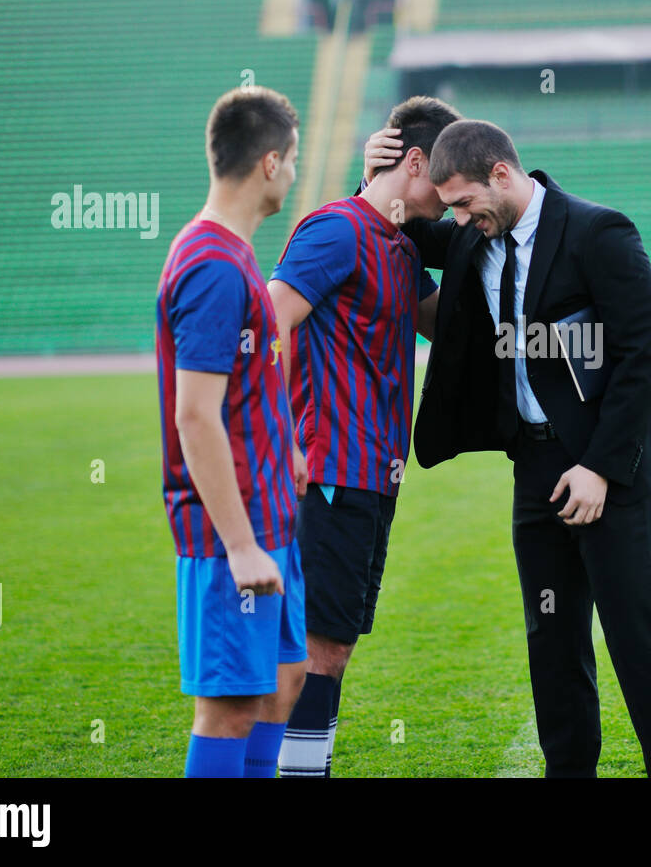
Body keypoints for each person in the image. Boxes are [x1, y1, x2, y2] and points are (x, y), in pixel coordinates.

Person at [383, 117, 651, 777]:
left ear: (501, 175)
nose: (460, 220)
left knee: (637, 642)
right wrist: (373, 166)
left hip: (613, 470)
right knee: (551, 644)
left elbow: (645, 354)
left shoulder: (598, 233)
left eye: (466, 203)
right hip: (535, 471)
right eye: (452, 209)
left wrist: (601, 470)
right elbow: (403, 222)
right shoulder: (475, 236)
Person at [267, 96, 456, 778]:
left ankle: (298, 769)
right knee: (316, 651)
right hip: (329, 476)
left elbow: (454, 332)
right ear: (413, 161)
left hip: (374, 481)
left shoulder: (401, 248)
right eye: (446, 176)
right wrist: (280, 442)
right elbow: (263, 326)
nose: (454, 193)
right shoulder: (336, 231)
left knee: (329, 649)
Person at [154, 86, 309, 778]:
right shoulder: (214, 266)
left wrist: (288, 455)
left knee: (283, 683)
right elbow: (195, 413)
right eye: (295, 161)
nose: (297, 176)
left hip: (271, 513)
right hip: (231, 536)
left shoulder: (237, 252)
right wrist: (241, 545)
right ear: (271, 163)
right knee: (231, 706)